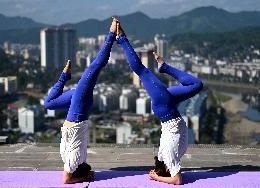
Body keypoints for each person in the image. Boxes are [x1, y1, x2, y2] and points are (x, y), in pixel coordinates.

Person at [115, 21, 203, 185]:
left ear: (168, 168)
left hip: (165, 107)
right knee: (197, 85)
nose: (177, 169)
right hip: (170, 107)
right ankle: (164, 67)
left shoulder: (169, 155)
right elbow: (176, 179)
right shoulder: (170, 155)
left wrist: (156, 176)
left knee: (141, 70)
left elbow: (176, 181)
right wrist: (158, 173)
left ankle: (121, 39)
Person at [43, 18, 118, 184]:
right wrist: (87, 176)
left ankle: (65, 76)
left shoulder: (72, 160)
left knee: (48, 104)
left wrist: (86, 176)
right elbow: (68, 179)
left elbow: (67, 179)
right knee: (94, 67)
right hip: (79, 111)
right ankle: (111, 35)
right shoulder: (76, 157)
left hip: (76, 112)